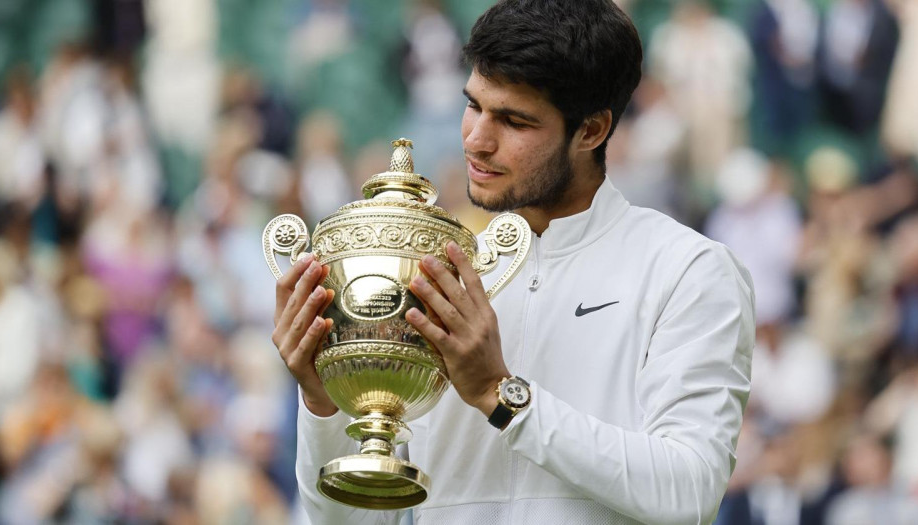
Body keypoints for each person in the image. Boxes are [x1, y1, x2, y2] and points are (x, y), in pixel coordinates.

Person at [271, 1, 756, 523]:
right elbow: (351, 521)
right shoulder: (434, 270)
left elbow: (689, 491)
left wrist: (501, 397)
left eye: (514, 120)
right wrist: (322, 403)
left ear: (591, 130)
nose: (477, 140)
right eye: (474, 105)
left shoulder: (688, 270)